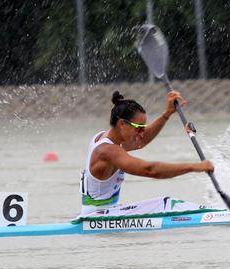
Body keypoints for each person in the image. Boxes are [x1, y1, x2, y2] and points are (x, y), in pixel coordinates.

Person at [78, 90, 214, 217]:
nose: (142, 133)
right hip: (98, 216)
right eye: (139, 128)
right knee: (167, 204)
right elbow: (150, 170)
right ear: (122, 124)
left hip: (102, 212)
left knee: (166, 204)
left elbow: (141, 141)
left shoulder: (105, 138)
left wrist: (167, 114)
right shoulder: (108, 151)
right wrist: (196, 167)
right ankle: (212, 216)